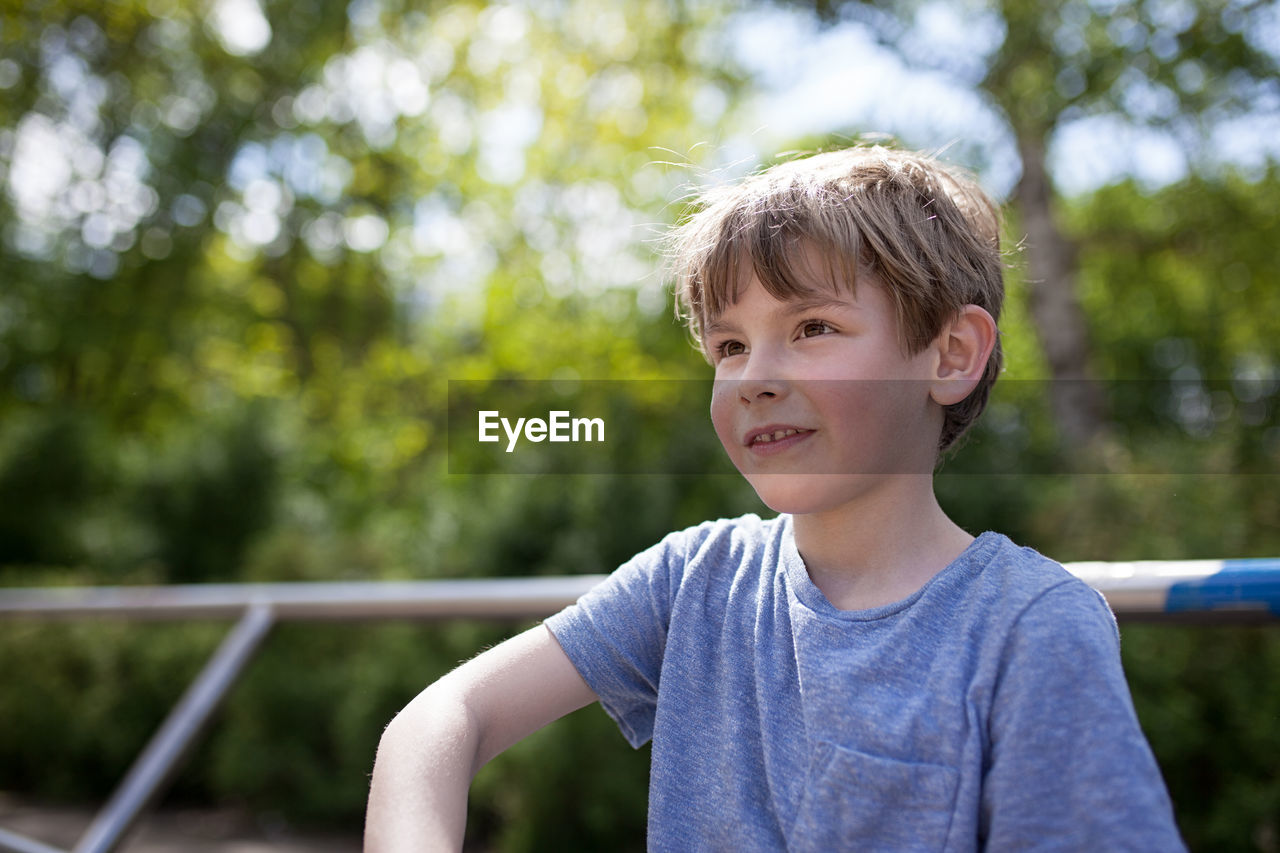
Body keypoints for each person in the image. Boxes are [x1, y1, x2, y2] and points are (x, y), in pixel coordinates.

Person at [364, 146, 1186, 851]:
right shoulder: (696, 579)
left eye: (812, 328)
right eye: (729, 344)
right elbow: (441, 720)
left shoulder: (1032, 627)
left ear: (950, 354)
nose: (754, 378)